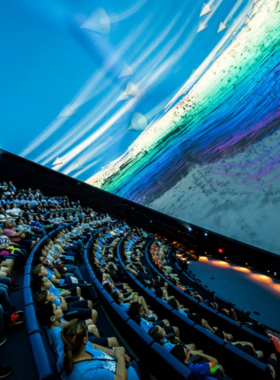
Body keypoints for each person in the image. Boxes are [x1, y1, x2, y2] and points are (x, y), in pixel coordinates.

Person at [61, 319, 140, 380]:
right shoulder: (90, 374)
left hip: (119, 364)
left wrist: (115, 353)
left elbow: (94, 346)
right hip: (125, 374)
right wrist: (120, 357)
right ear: (84, 340)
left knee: (128, 356)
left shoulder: (69, 352)